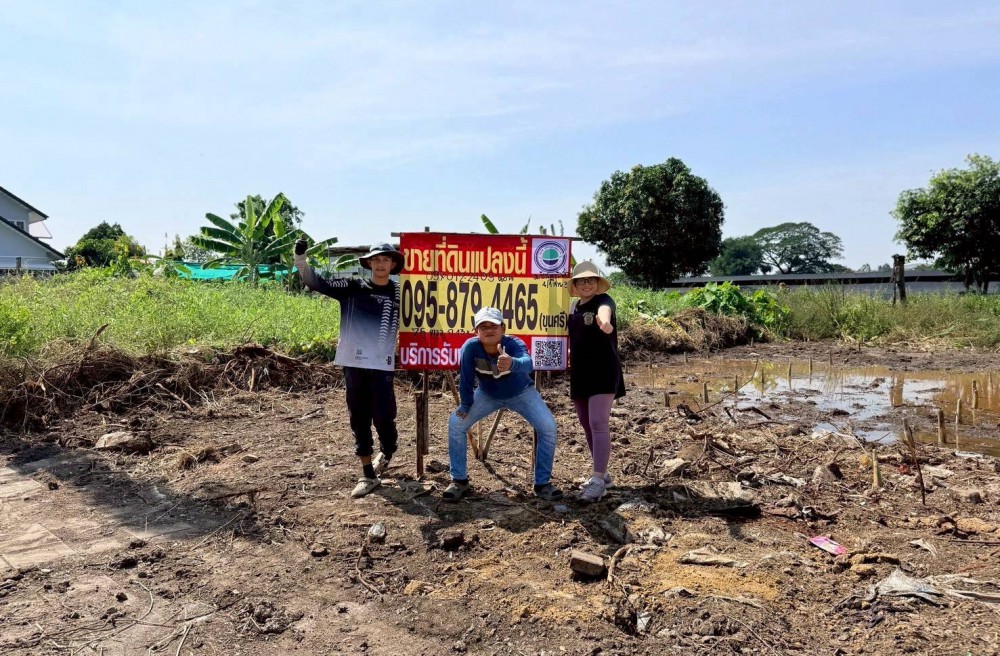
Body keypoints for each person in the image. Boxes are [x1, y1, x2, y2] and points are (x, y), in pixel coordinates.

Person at [294, 239, 403, 498]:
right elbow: (315, 282)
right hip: (353, 363)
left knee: (384, 417)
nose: (380, 264)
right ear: (369, 263)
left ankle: (387, 451)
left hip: (382, 365)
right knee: (359, 418)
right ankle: (367, 474)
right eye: (376, 259)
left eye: (385, 259)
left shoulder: (400, 294)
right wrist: (300, 259)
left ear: (393, 265)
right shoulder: (352, 287)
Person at [443, 306, 563, 502]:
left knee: (548, 426)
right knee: (456, 423)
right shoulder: (470, 347)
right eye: (483, 327)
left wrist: (512, 363)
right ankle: (459, 480)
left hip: (521, 392)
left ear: (503, 328)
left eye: (494, 326)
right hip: (487, 395)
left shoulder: (513, 343)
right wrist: (465, 405)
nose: (489, 330)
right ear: (475, 331)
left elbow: (528, 363)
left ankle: (542, 484)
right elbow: (465, 378)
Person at [567, 261, 625, 502]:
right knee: (586, 422)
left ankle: (598, 480)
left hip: (603, 369)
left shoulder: (604, 301)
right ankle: (603, 474)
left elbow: (604, 313)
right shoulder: (573, 307)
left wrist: (605, 323)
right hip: (580, 372)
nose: (586, 284)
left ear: (597, 283)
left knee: (598, 421)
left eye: (590, 280)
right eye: (581, 280)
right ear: (575, 285)